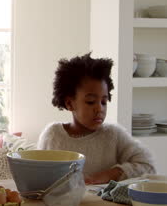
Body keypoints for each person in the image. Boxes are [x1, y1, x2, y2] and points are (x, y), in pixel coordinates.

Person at [37, 53, 155, 184]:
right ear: (70, 103)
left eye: (104, 102)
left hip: (105, 205)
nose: (100, 109)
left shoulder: (114, 135)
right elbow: (39, 176)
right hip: (61, 204)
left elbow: (148, 166)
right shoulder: (53, 136)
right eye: (91, 102)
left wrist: (109, 174)